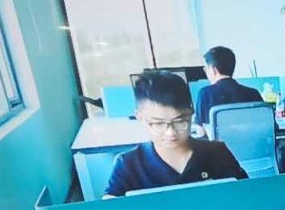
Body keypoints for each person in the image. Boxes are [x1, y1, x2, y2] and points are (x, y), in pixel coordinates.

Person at [104, 73, 247, 197]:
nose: (171, 132)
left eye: (180, 121)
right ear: (140, 117)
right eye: (158, 124)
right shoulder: (129, 164)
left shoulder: (217, 153)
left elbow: (246, 196)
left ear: (191, 113)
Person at [194, 46, 263, 134]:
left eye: (206, 69)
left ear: (214, 70)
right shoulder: (253, 93)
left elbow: (201, 132)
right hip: (252, 142)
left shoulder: (205, 94)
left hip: (219, 143)